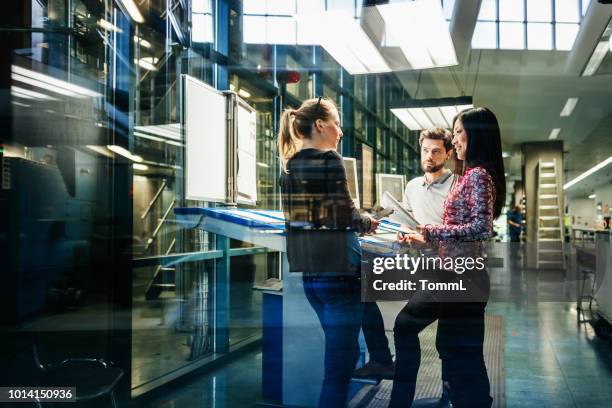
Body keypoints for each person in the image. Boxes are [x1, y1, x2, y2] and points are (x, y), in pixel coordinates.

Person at [391, 107, 506, 408]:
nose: (454, 140)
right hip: (453, 274)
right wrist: (425, 236)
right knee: (454, 349)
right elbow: (460, 229)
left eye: (458, 132)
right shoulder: (472, 174)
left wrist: (431, 230)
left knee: (455, 350)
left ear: (476, 133)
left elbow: (482, 228)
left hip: (461, 277)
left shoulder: (478, 175)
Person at [278, 97, 378, 408]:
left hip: (313, 277)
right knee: (338, 368)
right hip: (340, 272)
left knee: (342, 355)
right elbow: (343, 216)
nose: (341, 131)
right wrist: (367, 220)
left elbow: (305, 219)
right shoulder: (330, 159)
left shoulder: (290, 166)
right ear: (320, 125)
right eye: (336, 122)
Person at [355, 127, 457, 393]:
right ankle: (390, 373)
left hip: (451, 272)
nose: (429, 156)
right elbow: (411, 221)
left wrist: (429, 240)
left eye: (436, 151)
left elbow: (463, 235)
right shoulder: (413, 186)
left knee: (437, 336)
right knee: (386, 312)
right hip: (424, 267)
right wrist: (403, 232)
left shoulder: (458, 186)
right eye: (425, 150)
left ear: (447, 153)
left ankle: (443, 384)